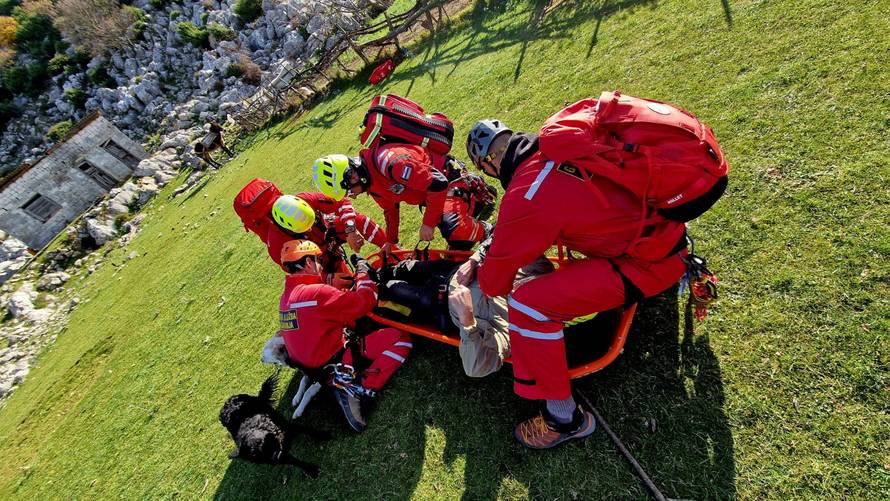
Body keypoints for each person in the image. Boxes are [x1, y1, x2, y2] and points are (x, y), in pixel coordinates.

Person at [464, 119, 689, 449]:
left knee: (527, 304)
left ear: (487, 163)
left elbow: (496, 284)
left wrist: (484, 264)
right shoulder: (554, 148)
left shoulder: (525, 194)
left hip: (647, 264)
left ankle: (564, 419)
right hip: (666, 236)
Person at [273, 240, 412, 432]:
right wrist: (363, 274)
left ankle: (340, 382)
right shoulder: (316, 293)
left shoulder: (286, 299)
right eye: (318, 260)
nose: (321, 265)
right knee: (401, 338)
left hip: (315, 368)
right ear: (307, 264)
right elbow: (366, 301)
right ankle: (357, 387)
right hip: (335, 363)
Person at [379, 250, 553, 378]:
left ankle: (376, 285)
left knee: (392, 289)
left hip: (438, 303)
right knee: (407, 268)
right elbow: (502, 236)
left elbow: (475, 367)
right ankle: (390, 271)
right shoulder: (538, 268)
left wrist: (467, 319)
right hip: (452, 270)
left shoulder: (512, 326)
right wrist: (474, 261)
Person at [312, 152, 494, 250]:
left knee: (453, 229)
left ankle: (486, 228)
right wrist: (390, 241)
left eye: (349, 191)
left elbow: (438, 183)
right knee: (460, 245)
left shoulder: (391, 164)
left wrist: (428, 223)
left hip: (449, 182)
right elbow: (390, 210)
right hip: (436, 195)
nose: (352, 195)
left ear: (352, 176)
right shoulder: (372, 183)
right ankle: (469, 213)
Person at [253, 188, 387, 286]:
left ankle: (391, 251)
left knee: (359, 220)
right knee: (345, 286)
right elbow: (300, 274)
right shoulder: (278, 245)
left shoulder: (306, 198)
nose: (310, 228)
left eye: (311, 222)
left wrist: (350, 229)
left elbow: (341, 202)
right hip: (317, 260)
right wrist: (327, 278)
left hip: (327, 232)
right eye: (304, 229)